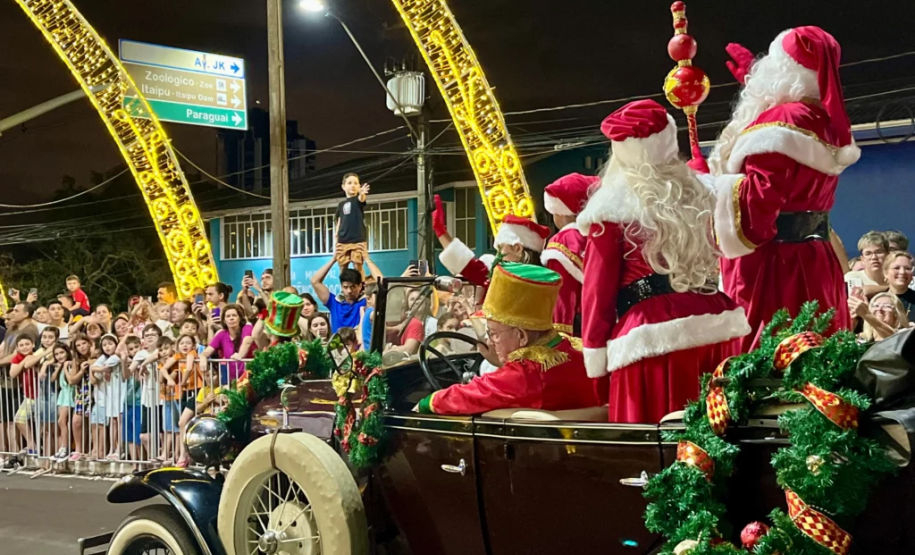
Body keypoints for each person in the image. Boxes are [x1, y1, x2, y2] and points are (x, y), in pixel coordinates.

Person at [577, 99, 749, 424]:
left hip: (648, 337)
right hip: (713, 321)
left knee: (653, 440)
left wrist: (596, 360)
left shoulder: (610, 210)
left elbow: (596, 294)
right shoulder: (702, 193)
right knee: (716, 431)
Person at [706, 27, 859, 349]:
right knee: (820, 349)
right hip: (816, 259)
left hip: (773, 268)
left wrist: (708, 184)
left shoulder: (778, 122)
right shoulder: (824, 121)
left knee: (770, 358)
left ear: (781, 72)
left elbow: (756, 213)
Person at [417, 263, 604, 415]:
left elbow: (469, 395)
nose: (490, 341)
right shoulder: (572, 347)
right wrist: (502, 362)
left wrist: (426, 404)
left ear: (521, 336)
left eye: (494, 333)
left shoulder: (526, 373)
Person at [434, 194, 551, 289]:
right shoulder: (548, 280)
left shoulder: (506, 278)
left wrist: (441, 232)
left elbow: (471, 267)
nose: (497, 256)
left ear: (517, 249)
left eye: (500, 249)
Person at [541, 173, 598, 335]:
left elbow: (563, 296)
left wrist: (560, 333)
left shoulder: (562, 241)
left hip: (579, 326)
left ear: (560, 212)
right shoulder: (597, 235)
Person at [199, 304, 253, 386]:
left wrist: (239, 355)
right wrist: (203, 356)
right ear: (224, 320)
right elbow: (208, 350)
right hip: (232, 380)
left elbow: (247, 342)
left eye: (234, 315)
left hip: (250, 377)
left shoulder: (247, 327)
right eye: (228, 316)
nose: (231, 318)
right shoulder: (221, 334)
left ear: (240, 318)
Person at [311, 258, 367, 333]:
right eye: (345, 287)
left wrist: (367, 259)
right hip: (337, 344)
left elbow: (382, 283)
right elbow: (315, 281)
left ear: (360, 286)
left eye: (353, 287)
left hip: (358, 344)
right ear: (341, 286)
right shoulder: (334, 303)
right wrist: (334, 259)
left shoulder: (366, 302)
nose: (349, 291)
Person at [335, 172, 371, 277]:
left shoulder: (358, 200)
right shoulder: (341, 205)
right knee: (342, 266)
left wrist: (362, 193)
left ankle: (361, 289)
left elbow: (362, 199)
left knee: (358, 265)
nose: (353, 185)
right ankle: (343, 288)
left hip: (358, 239)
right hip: (343, 240)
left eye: (356, 183)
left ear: (359, 186)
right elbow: (339, 221)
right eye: (349, 183)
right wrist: (336, 239)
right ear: (343, 186)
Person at [9, 333, 38, 454]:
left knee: (42, 424)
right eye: (21, 345)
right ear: (17, 348)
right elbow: (12, 374)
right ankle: (32, 445)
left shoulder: (37, 355)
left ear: (33, 345)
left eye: (27, 344)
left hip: (40, 394)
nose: (24, 347)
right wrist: (23, 362)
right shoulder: (17, 358)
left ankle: (35, 446)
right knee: (19, 419)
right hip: (29, 395)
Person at [67, 333, 94, 462]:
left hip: (96, 392)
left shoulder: (96, 356)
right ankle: (78, 449)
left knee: (94, 423)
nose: (82, 347)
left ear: (89, 343)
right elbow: (72, 380)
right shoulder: (76, 361)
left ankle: (91, 449)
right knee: (77, 421)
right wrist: (81, 371)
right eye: (78, 345)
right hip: (83, 392)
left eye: (83, 343)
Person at [844, 231, 889, 297]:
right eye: (868, 253)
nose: (874, 257)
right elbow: (862, 292)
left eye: (878, 252)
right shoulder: (852, 277)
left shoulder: (895, 277)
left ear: (888, 255)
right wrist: (892, 288)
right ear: (862, 259)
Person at [50, 343, 74, 461]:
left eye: (61, 353)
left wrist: (64, 367)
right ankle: (63, 447)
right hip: (62, 395)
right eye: (56, 354)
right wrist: (59, 367)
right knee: (62, 422)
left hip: (70, 394)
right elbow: (53, 378)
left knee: (62, 421)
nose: (59, 356)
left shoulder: (71, 364)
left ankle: (65, 447)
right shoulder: (59, 365)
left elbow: (71, 381)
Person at [884, 252, 915, 317]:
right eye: (896, 268)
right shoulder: (876, 300)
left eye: (907, 268)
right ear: (885, 273)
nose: (902, 272)